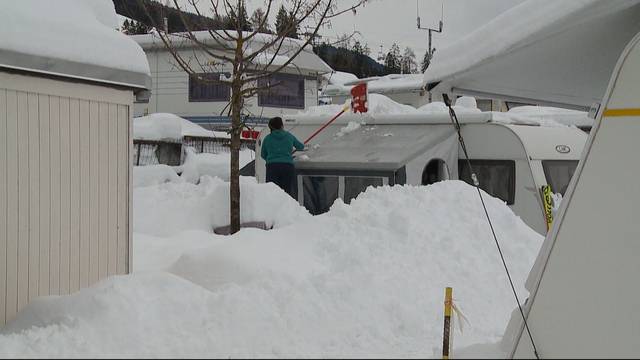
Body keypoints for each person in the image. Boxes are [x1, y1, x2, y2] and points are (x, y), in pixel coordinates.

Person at [261, 117, 305, 197]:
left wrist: (271, 159)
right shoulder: (289, 136)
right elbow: (301, 147)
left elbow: (263, 154)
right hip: (287, 167)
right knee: (286, 192)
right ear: (282, 126)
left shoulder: (267, 139)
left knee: (272, 192)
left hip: (272, 167)